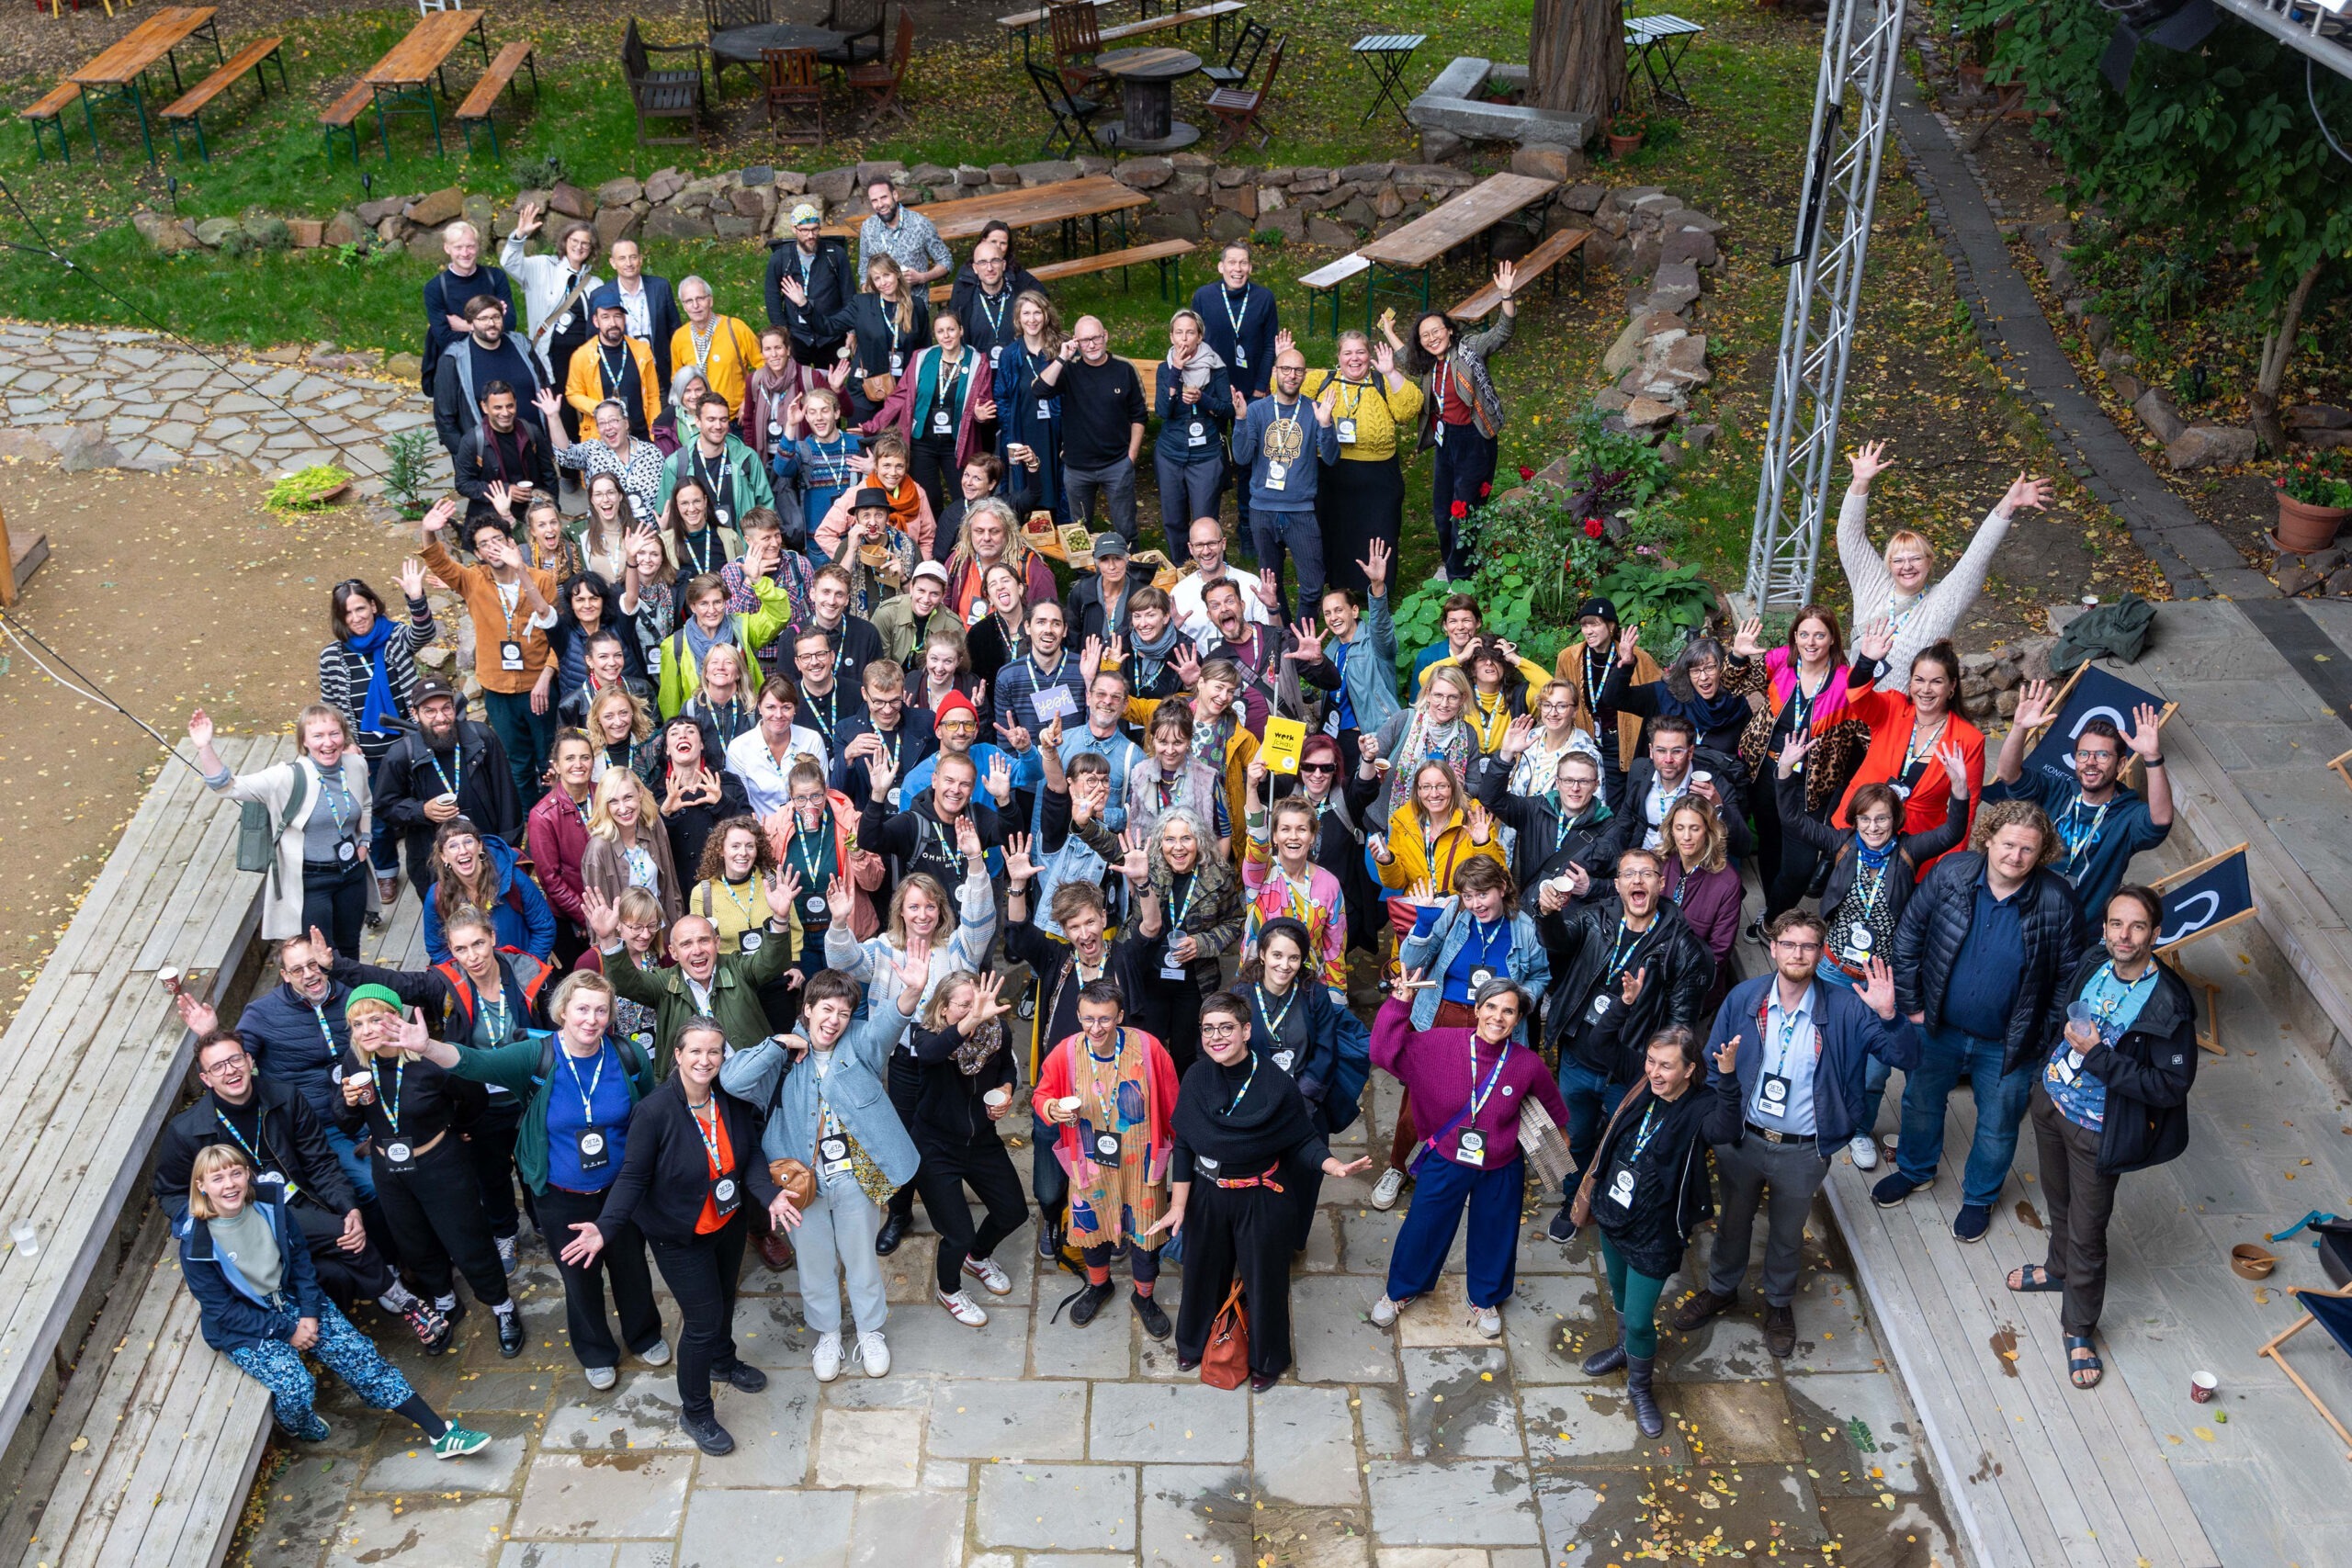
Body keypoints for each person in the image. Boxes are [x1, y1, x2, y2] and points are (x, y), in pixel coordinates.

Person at [407, 970, 671, 1388]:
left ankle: (644, 1335)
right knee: (579, 1278)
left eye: (601, 1010)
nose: (591, 1018)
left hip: (622, 1191)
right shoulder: (537, 1057)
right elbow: (477, 1063)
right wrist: (428, 1047)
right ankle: (596, 1351)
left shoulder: (627, 1055)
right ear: (562, 1011)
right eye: (582, 1008)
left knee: (632, 1267)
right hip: (562, 1195)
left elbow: (651, 1105)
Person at [1677, 913, 1917, 1359]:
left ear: (1821, 952)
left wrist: (1889, 1015)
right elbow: (1713, 1064)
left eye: (1808, 947)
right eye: (1788, 944)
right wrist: (1717, 1122)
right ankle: (1721, 1289)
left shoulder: (1845, 1009)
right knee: (1732, 1223)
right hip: (1744, 1141)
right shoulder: (1745, 997)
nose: (1797, 954)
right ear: (1773, 948)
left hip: (1803, 1150)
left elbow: (1906, 1057)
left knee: (1788, 1234)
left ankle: (1778, 1304)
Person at [176, 1144, 490, 1456]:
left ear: (248, 1175)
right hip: (246, 1321)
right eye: (217, 1179)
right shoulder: (196, 1245)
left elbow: (299, 1261)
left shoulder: (271, 1205)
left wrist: (310, 1313)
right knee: (296, 1387)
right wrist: (288, 1332)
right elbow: (223, 1310)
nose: (229, 1184)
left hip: (291, 1298)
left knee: (360, 1357)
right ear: (201, 1187)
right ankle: (297, 1423)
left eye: (235, 1173)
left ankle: (441, 1433)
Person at [560, 1020, 779, 1454]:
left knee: (725, 1299)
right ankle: (696, 1412)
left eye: (714, 1052)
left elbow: (751, 1152)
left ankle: (723, 1360)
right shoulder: (654, 1111)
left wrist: (769, 1196)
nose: (705, 1060)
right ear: (677, 1055)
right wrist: (606, 1227)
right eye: (695, 1051)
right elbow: (634, 1176)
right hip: (678, 1235)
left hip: (727, 1221)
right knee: (700, 1322)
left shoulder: (732, 1098)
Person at [1875, 799, 2088, 1243]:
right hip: (1937, 1027)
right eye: (2008, 844)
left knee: (1998, 1123)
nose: (2016, 856)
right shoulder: (1951, 874)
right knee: (1919, 1102)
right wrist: (1913, 1006)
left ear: (2042, 852)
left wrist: (2042, 1038)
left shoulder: (2058, 899)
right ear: (1988, 839)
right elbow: (1909, 934)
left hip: (2009, 1042)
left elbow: (2069, 980)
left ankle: (1978, 1197)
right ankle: (1915, 1170)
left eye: (2028, 850)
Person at [2013, 884, 2199, 1391]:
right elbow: (2064, 1015)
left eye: (2137, 926)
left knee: (2089, 1234)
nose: (2124, 935)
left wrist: (2097, 1055)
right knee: (2056, 1199)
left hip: (2099, 1130)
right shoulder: (2096, 960)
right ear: (2105, 928)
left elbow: (2170, 1085)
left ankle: (2079, 1329)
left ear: (2155, 934)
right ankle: (2055, 1268)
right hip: (2053, 1103)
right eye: (2117, 923)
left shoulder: (2170, 1003)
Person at [153, 1012, 429, 1337]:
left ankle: (333, 1332)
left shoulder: (285, 1097)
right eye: (218, 1067)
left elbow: (321, 1162)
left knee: (335, 1270)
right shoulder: (187, 1131)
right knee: (343, 1236)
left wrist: (348, 1206)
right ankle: (400, 1298)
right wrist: (210, 1221)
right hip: (244, 1220)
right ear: (206, 1079)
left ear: (249, 1060)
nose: (230, 1071)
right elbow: (169, 1193)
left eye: (235, 1060)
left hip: (302, 1202)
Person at [1150, 991, 1373, 1388]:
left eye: (1226, 1028)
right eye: (1208, 1029)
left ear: (1246, 1030)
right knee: (1201, 1273)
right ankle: (1194, 1341)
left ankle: (1268, 1360)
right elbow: (1184, 1142)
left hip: (1261, 1195)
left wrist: (1332, 1164)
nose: (1217, 1037)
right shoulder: (1197, 1076)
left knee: (1264, 1281)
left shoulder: (1275, 1082)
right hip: (1208, 1195)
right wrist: (1178, 1205)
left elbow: (1301, 1141)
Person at [1776, 734, 1972, 1167]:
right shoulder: (1842, 845)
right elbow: (1792, 819)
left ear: (1895, 820)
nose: (1873, 827)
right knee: (1822, 1043)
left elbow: (1953, 831)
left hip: (1883, 979)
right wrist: (1786, 770)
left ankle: (1860, 1129)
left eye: (1881, 819)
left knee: (1875, 1064)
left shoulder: (1908, 851)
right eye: (1865, 819)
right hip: (1833, 969)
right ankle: (1816, 1110)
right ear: (1855, 820)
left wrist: (1959, 788)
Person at [724, 969, 918, 1380]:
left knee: (861, 1259)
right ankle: (828, 1333)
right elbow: (732, 1080)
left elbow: (890, 1022)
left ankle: (870, 1331)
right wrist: (778, 1044)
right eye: (826, 1009)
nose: (834, 1020)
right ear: (807, 1009)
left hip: (852, 1178)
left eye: (844, 1013)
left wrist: (913, 990)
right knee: (814, 1264)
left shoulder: (861, 1043)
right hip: (798, 1184)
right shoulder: (780, 1057)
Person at [1527, 846, 1715, 1235]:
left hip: (1629, 1067)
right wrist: (1546, 913)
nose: (1638, 881)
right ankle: (1571, 1202)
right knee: (1573, 1136)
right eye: (1629, 874)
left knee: (1620, 1140)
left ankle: (1610, 1200)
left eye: (1647, 874)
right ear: (1617, 884)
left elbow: (1682, 1022)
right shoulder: (1596, 918)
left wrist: (1661, 1072)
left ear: (1662, 884)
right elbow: (1558, 942)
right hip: (1579, 1054)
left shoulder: (1681, 946)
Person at [1368, 975, 1568, 1337]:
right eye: (1491, 1007)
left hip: (1501, 1165)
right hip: (1446, 1157)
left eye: (1508, 1011)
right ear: (1477, 1009)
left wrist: (1561, 1143)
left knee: (1496, 1233)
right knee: (1423, 1227)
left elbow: (1553, 1107)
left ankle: (1484, 1297)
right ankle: (1400, 1291)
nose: (1498, 1017)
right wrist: (1400, 1003)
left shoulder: (1526, 1064)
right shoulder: (1437, 1044)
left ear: (1519, 1019)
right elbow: (1384, 1052)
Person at [821, 848, 999, 1254]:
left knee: (951, 1130)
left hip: (949, 1061)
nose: (922, 914)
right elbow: (844, 962)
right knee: (897, 1135)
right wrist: (839, 921)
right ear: (900, 910)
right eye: (914, 906)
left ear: (940, 910)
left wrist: (974, 864)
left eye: (930, 906)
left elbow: (981, 924)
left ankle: (954, 1204)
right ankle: (900, 1212)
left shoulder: (956, 949)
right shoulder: (884, 948)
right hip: (903, 1062)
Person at [1568, 1025, 1742, 1436]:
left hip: (1656, 1231)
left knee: (1643, 1319)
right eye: (1651, 1061)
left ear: (1689, 1070)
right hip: (1614, 1214)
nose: (1655, 1072)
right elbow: (1601, 1041)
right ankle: (1624, 1349)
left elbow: (1728, 1131)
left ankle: (1641, 1387)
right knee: (1620, 1293)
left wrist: (1730, 1076)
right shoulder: (1642, 1082)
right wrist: (1624, 1008)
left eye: (1667, 1065)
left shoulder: (1702, 1106)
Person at [331, 987, 523, 1355]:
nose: (367, 1030)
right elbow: (345, 1121)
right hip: (389, 1167)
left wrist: (455, 1129)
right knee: (413, 1241)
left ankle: (502, 1306)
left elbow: (474, 1098)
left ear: (396, 1017)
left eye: (375, 1019)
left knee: (467, 1239)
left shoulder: (427, 1060)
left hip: (439, 1161)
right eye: (358, 1023)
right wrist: (347, 1102)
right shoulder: (355, 1062)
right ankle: (446, 1301)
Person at [1033, 979, 1181, 1334]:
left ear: (1120, 1017)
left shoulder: (1148, 1048)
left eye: (1104, 1019)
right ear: (1078, 1016)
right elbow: (1041, 1095)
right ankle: (1099, 1285)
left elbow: (1173, 1099)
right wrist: (1052, 1108)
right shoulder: (1066, 1052)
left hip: (1142, 1164)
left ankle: (1144, 1295)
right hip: (1089, 1161)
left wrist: (1183, 1144)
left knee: (1147, 1235)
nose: (1095, 1028)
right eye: (1087, 1019)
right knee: (1090, 1227)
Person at [1838, 441, 2055, 676]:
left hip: (1914, 710)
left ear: (1929, 561)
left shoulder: (1943, 601)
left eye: (1915, 559)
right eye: (1898, 560)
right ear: (1888, 565)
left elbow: (1976, 557)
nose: (1907, 566)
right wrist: (1860, 483)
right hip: (1855, 705)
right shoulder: (1872, 586)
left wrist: (2008, 505)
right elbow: (1850, 536)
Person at [1729, 608, 1891, 920]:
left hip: (1813, 785)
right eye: (1804, 634)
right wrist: (1737, 654)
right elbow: (1732, 683)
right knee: (1770, 845)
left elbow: (1871, 733)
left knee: (1800, 865)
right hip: (1768, 773)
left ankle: (1775, 917)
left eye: (1819, 635)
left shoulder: (1846, 681)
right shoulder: (1780, 662)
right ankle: (1774, 914)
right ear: (1795, 638)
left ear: (1832, 639)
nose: (1811, 642)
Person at [190, 704, 374, 955]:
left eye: (334, 733)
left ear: (344, 736)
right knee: (321, 953)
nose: (328, 743)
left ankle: (354, 995)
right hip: (311, 881)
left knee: (351, 943)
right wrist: (204, 747)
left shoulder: (356, 765)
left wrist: (364, 842)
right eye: (318, 736)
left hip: (351, 873)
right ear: (304, 742)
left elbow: (365, 803)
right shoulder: (285, 777)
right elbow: (227, 786)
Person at [1984, 680, 2173, 922]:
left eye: (2102, 755)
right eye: (2083, 754)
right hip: (2025, 912)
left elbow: (2161, 819)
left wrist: (2152, 757)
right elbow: (2009, 775)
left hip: (2079, 929)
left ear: (2121, 764)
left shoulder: (2127, 815)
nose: (2090, 762)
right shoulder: (2057, 790)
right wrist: (2019, 727)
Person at [902, 970, 1028, 1325]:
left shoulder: (996, 1031)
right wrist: (972, 1019)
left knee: (1014, 1212)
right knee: (957, 1234)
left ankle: (978, 1257)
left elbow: (1006, 1065)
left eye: (979, 1003)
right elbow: (930, 1055)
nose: (977, 1011)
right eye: (965, 1005)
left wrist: (1005, 1090)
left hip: (981, 1141)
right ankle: (949, 1290)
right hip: (935, 1148)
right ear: (943, 1009)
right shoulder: (925, 1035)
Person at [417, 499, 560, 807]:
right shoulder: (473, 580)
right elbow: (439, 562)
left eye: (498, 539)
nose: (493, 547)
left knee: (549, 760)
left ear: (512, 542)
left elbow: (558, 634)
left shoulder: (541, 581)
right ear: (478, 553)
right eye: (484, 544)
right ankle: (527, 822)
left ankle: (557, 815)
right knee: (517, 764)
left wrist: (547, 676)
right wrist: (428, 532)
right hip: (498, 689)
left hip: (539, 689)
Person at [587, 874, 799, 1071]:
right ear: (674, 952)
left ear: (717, 943)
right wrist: (607, 939)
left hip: (748, 1079)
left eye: (704, 940)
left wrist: (780, 918)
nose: (697, 950)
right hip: (688, 1087)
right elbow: (627, 983)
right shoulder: (665, 982)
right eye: (686, 944)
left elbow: (771, 963)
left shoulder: (737, 967)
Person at [320, 566, 440, 904]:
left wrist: (416, 599)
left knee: (423, 806)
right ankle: (386, 871)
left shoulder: (395, 637)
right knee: (379, 816)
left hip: (408, 745)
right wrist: (347, 744)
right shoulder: (332, 656)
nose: (356, 617)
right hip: (366, 753)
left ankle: (434, 864)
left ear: (373, 605)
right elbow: (331, 708)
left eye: (361, 608)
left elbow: (424, 632)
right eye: (348, 613)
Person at [1398, 263, 1519, 581]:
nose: (1432, 338)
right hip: (1445, 440)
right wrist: (1386, 332)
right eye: (1425, 336)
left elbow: (1503, 332)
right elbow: (1404, 359)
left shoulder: (1469, 349)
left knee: (1464, 510)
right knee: (1442, 512)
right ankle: (1453, 563)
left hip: (1474, 438)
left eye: (1436, 331)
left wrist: (1506, 294)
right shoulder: (1426, 365)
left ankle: (1459, 576)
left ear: (1449, 330)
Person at [369, 676, 524, 899]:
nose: (440, 718)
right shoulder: (401, 755)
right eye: (429, 711)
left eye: (446, 709)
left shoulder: (481, 738)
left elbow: (507, 796)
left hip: (488, 854)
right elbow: (383, 807)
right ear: (415, 714)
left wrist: (508, 850)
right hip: (433, 867)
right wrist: (421, 810)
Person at [1297, 329, 1422, 596]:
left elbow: (1410, 407)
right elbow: (1281, 382)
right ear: (1338, 357)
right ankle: (1341, 589)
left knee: (1380, 534)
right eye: (1348, 353)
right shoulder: (1323, 380)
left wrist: (1390, 371)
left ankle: (1378, 589)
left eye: (1361, 352)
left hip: (1378, 479)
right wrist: (1282, 354)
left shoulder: (1381, 381)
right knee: (1337, 533)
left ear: (1369, 355)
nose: (1354, 359)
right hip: (1332, 473)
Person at [1833, 641, 1981, 865]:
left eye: (1936, 682)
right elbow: (1857, 695)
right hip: (1862, 823)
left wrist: (1952, 865)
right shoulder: (1892, 707)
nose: (1926, 689)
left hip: (1916, 842)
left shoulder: (1969, 740)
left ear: (1952, 686)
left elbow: (1967, 809)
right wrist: (1866, 662)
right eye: (1919, 680)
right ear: (1910, 682)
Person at [1132, 806, 1244, 1077]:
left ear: (1199, 842)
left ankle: (1185, 1106)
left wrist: (1203, 943)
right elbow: (1136, 920)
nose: (1178, 848)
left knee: (1186, 1052)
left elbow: (1235, 921)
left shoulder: (1219, 876)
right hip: (1151, 978)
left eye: (1186, 839)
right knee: (1150, 1049)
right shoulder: (1148, 869)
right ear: (1160, 842)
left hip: (1194, 982)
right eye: (1170, 839)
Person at [1235, 345, 1340, 620]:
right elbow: (1243, 457)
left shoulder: (1314, 410)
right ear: (1275, 372)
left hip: (1301, 510)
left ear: (1304, 375)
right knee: (1272, 582)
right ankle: (1281, 635)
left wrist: (1326, 425)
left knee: (1313, 584)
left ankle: (1303, 636)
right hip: (1263, 509)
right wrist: (1241, 420)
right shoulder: (1257, 410)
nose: (1291, 375)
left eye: (1297, 370)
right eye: (1285, 369)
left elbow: (1330, 459)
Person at [865, 307, 994, 515]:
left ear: (961, 331)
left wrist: (980, 416)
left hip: (957, 442)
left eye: (951, 330)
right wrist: (871, 426)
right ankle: (934, 544)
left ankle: (968, 541)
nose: (946, 336)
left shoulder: (978, 362)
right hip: (922, 442)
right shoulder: (922, 358)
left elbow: (984, 402)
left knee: (965, 497)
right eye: (941, 331)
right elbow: (900, 396)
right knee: (929, 498)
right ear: (935, 334)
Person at [1369, 759, 1502, 933]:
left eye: (1441, 786)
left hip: (1463, 920)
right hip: (1418, 919)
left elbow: (1498, 876)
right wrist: (1387, 861)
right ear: (1418, 791)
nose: (1434, 794)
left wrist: (1483, 844)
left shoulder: (1474, 818)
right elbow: (1396, 882)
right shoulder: (1404, 822)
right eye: (1426, 787)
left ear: (1453, 788)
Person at [501, 203, 604, 414]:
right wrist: (520, 235)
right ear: (565, 242)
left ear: (592, 249)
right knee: (558, 412)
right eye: (574, 241)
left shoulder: (596, 284)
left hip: (583, 357)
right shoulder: (542, 266)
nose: (579, 246)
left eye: (586, 243)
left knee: (585, 410)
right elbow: (509, 263)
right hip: (550, 355)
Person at [653, 570, 795, 719]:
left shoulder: (742, 628)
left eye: (717, 602)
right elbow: (669, 701)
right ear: (693, 607)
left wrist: (758, 580)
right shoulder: (674, 645)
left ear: (725, 602)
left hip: (745, 719)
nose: (712, 610)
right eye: (703, 604)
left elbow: (779, 615)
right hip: (700, 727)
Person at [1055, 315, 1147, 543]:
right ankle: (1085, 575)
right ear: (1076, 342)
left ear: (1105, 335)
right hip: (1077, 468)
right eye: (1085, 340)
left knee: (1126, 529)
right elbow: (1039, 390)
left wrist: (1131, 455)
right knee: (1079, 530)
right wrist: (1061, 358)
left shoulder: (1124, 368)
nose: (1092, 345)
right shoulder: (1068, 370)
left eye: (1096, 338)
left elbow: (1139, 414)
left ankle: (1131, 573)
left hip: (1117, 464)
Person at [551, 310, 665, 491]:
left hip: (642, 436)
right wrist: (599, 409)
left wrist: (656, 431)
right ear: (596, 321)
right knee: (607, 492)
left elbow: (653, 395)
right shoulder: (582, 355)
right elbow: (572, 393)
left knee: (646, 491)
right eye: (606, 317)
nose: (613, 322)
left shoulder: (641, 350)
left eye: (617, 316)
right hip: (604, 435)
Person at [1597, 625, 1747, 760]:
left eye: (1709, 668)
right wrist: (1626, 665)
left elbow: (1748, 756)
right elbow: (1614, 698)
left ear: (1721, 669)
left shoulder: (1736, 705)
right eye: (1695, 671)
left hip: (1715, 787)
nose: (1703, 677)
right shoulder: (1665, 694)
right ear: (1686, 673)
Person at [421, 816, 555, 964]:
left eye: (468, 841)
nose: (463, 850)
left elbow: (544, 927)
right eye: (453, 846)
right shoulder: (437, 897)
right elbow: (437, 948)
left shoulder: (513, 880)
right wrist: (465, 978)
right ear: (444, 857)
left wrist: (528, 969)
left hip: (523, 973)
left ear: (479, 846)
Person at [1153, 309, 1233, 557]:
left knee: (1205, 523)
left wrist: (1203, 399)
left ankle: (1212, 573)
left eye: (1190, 332)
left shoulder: (1216, 366)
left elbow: (1228, 409)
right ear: (1171, 337)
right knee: (1174, 520)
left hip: (1206, 456)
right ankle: (1180, 568)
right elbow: (1163, 411)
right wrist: (1176, 371)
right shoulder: (1165, 369)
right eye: (1179, 333)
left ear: (1200, 336)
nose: (1184, 338)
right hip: (1170, 455)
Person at [993, 290, 1072, 524]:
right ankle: (1029, 527)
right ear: (1018, 318)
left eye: (1037, 312)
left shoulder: (1060, 349)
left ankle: (1059, 525)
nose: (1032, 319)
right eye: (1026, 313)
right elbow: (1002, 396)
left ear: (1046, 315)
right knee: (1026, 478)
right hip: (1023, 429)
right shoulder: (1010, 355)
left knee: (1054, 474)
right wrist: (1010, 433)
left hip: (1054, 429)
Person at [829, 254, 933, 428]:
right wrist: (804, 305)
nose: (883, 282)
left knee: (897, 449)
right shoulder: (863, 304)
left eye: (886, 275)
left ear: (897, 273)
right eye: (877, 278)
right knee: (862, 444)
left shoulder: (917, 306)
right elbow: (829, 326)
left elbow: (925, 350)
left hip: (903, 389)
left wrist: (923, 387)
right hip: (868, 387)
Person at [1660, 795, 1744, 1011]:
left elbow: (1719, 951)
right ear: (1671, 830)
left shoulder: (1727, 882)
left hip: (1692, 987)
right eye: (1680, 827)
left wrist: (1681, 988)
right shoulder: (1660, 861)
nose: (1686, 837)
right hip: (1653, 974)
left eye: (1694, 828)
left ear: (1708, 831)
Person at [432, 297, 539, 462]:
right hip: (488, 458)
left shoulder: (521, 345)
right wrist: (466, 456)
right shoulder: (454, 359)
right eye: (483, 318)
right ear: (471, 322)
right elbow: (444, 417)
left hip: (532, 448)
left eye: (496, 317)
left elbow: (544, 389)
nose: (491, 323)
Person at [660, 392, 778, 530]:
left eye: (723, 420)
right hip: (697, 548)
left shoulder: (747, 458)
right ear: (697, 421)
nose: (718, 426)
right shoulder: (677, 463)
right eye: (711, 419)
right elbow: (666, 514)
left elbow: (765, 506)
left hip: (742, 546)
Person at [581, 766, 683, 924]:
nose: (623, 808)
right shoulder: (599, 848)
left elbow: (671, 886)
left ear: (640, 793)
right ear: (604, 805)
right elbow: (599, 919)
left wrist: (677, 930)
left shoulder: (653, 825)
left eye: (628, 797)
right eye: (613, 801)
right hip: (628, 941)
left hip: (661, 932)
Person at [421, 220, 513, 396]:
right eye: (458, 247)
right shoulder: (435, 288)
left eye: (470, 246)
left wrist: (466, 326)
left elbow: (509, 324)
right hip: (456, 367)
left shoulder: (496, 277)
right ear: (447, 248)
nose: (465, 253)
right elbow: (444, 337)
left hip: (495, 362)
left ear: (478, 246)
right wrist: (490, 327)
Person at [727, 675, 834, 818]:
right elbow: (741, 806)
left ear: (795, 708)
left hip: (805, 828)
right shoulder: (739, 748)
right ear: (759, 707)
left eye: (786, 708)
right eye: (771, 707)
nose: (778, 715)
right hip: (760, 833)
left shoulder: (812, 740)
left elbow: (820, 795)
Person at [452, 384, 559, 528]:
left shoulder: (531, 432)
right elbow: (463, 484)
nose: (505, 412)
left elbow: (549, 474)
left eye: (510, 406)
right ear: (484, 407)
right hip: (493, 518)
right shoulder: (472, 441)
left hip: (532, 513)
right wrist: (505, 490)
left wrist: (552, 507)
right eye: (498, 408)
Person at [943, 496, 1057, 623]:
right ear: (969, 533)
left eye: (994, 531)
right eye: (979, 531)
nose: (986, 538)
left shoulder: (1032, 569)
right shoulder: (958, 560)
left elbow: (1049, 624)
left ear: (1008, 532)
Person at [947, 224, 1046, 372]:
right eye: (983, 262)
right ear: (975, 268)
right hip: (978, 375)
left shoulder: (1019, 291)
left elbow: (1043, 300)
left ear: (1003, 264)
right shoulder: (966, 297)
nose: (989, 268)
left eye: (995, 261)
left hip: (1019, 371)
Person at [767, 203, 855, 367]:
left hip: (830, 334)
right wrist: (782, 333)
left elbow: (849, 295)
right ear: (794, 229)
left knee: (830, 387)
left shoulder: (835, 254)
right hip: (797, 336)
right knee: (798, 385)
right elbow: (772, 298)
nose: (811, 235)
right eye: (805, 230)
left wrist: (851, 330)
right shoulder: (781, 259)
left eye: (815, 229)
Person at [671, 276, 763, 418]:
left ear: (710, 300)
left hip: (735, 419)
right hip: (698, 422)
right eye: (689, 301)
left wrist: (750, 400)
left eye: (700, 298)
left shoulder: (736, 328)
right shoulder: (679, 338)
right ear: (683, 306)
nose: (695, 305)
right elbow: (677, 381)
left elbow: (763, 366)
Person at [605, 239, 683, 405]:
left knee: (663, 422)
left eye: (633, 257)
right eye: (622, 258)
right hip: (624, 373)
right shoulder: (602, 294)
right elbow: (595, 339)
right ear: (613, 263)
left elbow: (675, 329)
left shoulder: (660, 287)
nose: (629, 263)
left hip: (659, 371)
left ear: (640, 259)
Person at [856, 173, 953, 285]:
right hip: (881, 301)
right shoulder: (868, 228)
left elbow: (946, 261)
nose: (880, 204)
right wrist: (867, 294)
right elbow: (863, 272)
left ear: (895, 195)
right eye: (874, 200)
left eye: (884, 197)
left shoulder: (920, 224)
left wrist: (922, 277)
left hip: (914, 300)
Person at [1066, 531, 1141, 648]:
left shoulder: (1141, 593)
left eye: (1117, 558)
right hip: (1089, 663)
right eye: (1104, 559)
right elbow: (1072, 636)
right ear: (1097, 563)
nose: (1112, 566)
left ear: (1127, 559)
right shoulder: (1082, 592)